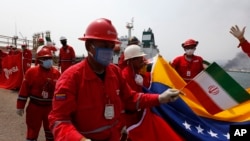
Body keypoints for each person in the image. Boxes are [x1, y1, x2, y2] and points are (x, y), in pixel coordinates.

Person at [48, 18, 180, 141]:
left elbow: (131, 99)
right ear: (89, 46)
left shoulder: (115, 72)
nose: (109, 51)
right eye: (104, 46)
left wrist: (160, 98)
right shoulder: (71, 78)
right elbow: (59, 120)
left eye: (111, 47)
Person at [16, 47, 61, 141]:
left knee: (51, 132)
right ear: (39, 60)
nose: (48, 61)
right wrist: (20, 106)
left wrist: (62, 108)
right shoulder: (31, 72)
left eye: (49, 58)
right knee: (32, 131)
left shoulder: (56, 73)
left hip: (50, 108)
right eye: (45, 59)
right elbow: (24, 90)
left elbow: (60, 92)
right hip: (34, 107)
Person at [121, 44, 151, 140]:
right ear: (130, 61)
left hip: (138, 114)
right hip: (128, 116)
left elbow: (148, 88)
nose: (142, 60)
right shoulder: (125, 75)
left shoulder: (139, 74)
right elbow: (130, 99)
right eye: (139, 58)